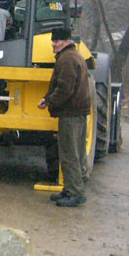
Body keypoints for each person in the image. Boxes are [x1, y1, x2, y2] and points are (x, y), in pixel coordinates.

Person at [38, 27, 91, 207]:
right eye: (53, 40)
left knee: (69, 154)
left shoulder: (67, 59)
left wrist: (50, 101)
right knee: (75, 152)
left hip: (71, 113)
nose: (54, 44)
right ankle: (70, 189)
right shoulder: (74, 56)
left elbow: (65, 88)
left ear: (66, 41)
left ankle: (75, 192)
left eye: (57, 41)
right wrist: (48, 98)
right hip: (77, 112)